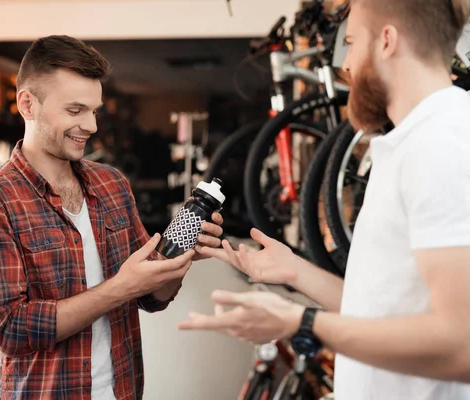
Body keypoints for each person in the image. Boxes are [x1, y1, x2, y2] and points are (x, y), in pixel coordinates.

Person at [178, 0, 470, 398]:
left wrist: (302, 322)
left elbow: (461, 345)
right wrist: (294, 271)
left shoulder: (444, 141)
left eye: (350, 42)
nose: (345, 64)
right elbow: (385, 308)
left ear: (387, 41)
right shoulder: (407, 142)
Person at [0, 35, 223, 400]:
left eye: (94, 110)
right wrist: (120, 288)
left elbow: (152, 297)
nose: (92, 125)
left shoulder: (112, 183)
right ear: (27, 104)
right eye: (75, 110)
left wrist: (180, 257)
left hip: (123, 391)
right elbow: (11, 330)